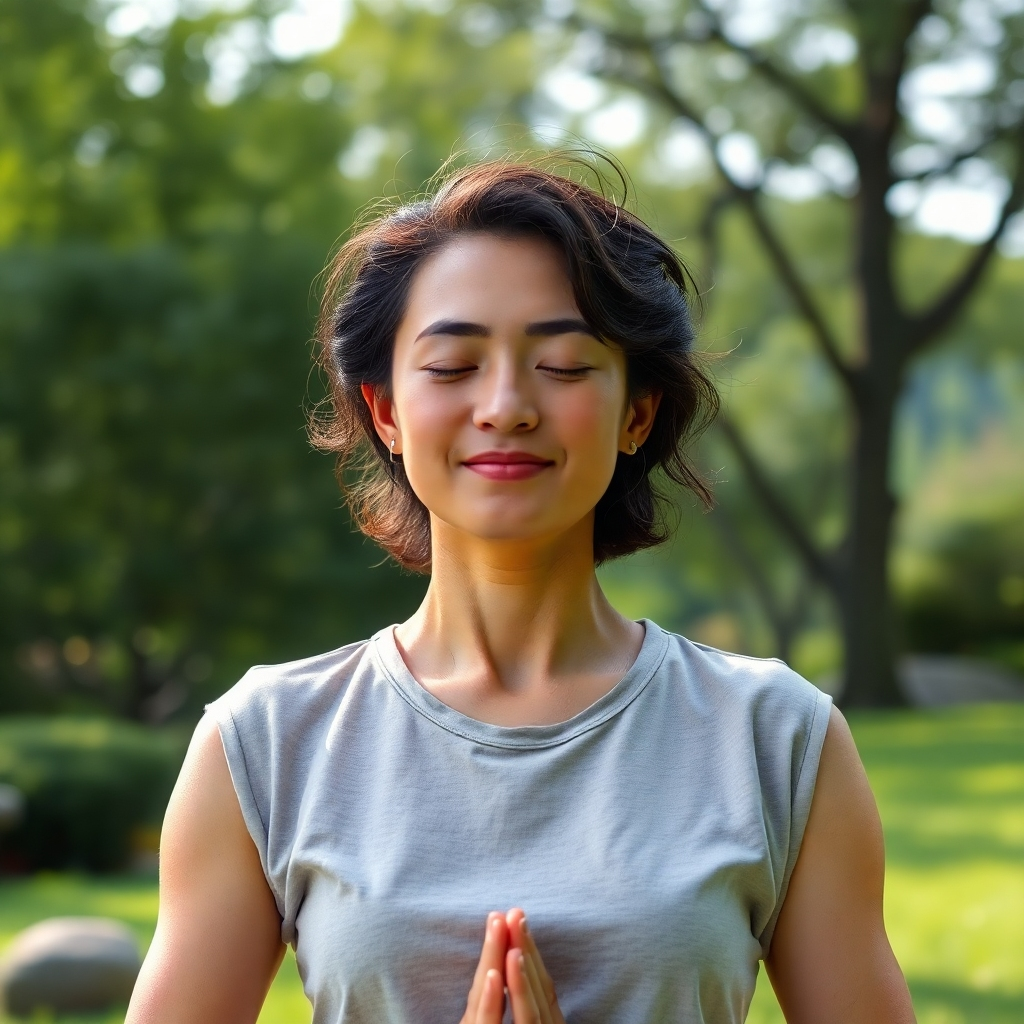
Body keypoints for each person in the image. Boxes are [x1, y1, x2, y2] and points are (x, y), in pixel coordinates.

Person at [126, 161, 916, 1024]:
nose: (505, 406)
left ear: (636, 414)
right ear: (386, 411)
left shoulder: (777, 738)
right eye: (454, 364)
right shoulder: (268, 742)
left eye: (565, 365)